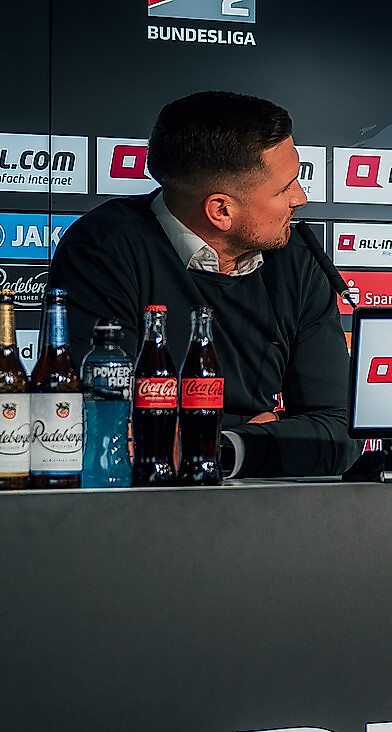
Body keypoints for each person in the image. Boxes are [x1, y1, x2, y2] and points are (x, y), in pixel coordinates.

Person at [50, 91, 358, 478]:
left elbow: (339, 433)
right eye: (285, 188)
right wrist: (269, 435)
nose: (301, 198)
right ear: (221, 211)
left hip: (270, 512)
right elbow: (107, 430)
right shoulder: (103, 249)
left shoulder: (298, 257)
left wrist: (226, 448)